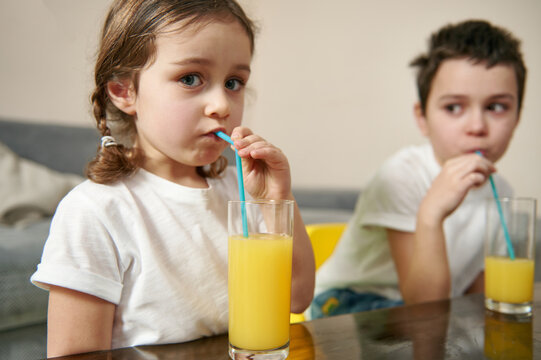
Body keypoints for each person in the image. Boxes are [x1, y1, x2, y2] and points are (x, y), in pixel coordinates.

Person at [30, 0, 315, 356]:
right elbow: (74, 354)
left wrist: (276, 199)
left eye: (233, 82)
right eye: (191, 78)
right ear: (124, 91)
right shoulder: (96, 211)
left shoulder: (239, 192)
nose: (222, 105)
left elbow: (296, 297)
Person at [311, 19, 526, 319]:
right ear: (422, 117)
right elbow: (426, 306)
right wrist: (431, 214)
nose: (477, 127)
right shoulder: (401, 176)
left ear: (517, 116)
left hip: (424, 311)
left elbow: (479, 295)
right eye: (453, 107)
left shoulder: (501, 193)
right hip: (349, 302)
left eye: (497, 107)